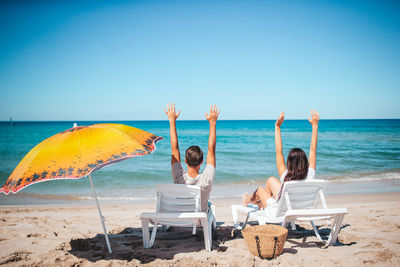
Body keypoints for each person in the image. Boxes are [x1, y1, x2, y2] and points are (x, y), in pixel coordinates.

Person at [242, 110, 320, 209]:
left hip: (282, 210)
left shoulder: (285, 176)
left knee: (259, 190)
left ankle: (248, 201)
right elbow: (313, 150)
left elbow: (279, 151)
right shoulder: (310, 173)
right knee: (270, 180)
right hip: (302, 208)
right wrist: (315, 125)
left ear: (289, 163)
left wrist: (277, 127)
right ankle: (259, 203)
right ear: (305, 162)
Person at [165, 103, 220, 212]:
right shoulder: (206, 180)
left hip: (182, 221)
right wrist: (212, 123)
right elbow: (211, 150)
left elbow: (174, 149)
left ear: (185, 161)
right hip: (199, 222)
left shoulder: (179, 178)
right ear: (202, 161)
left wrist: (172, 121)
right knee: (209, 205)